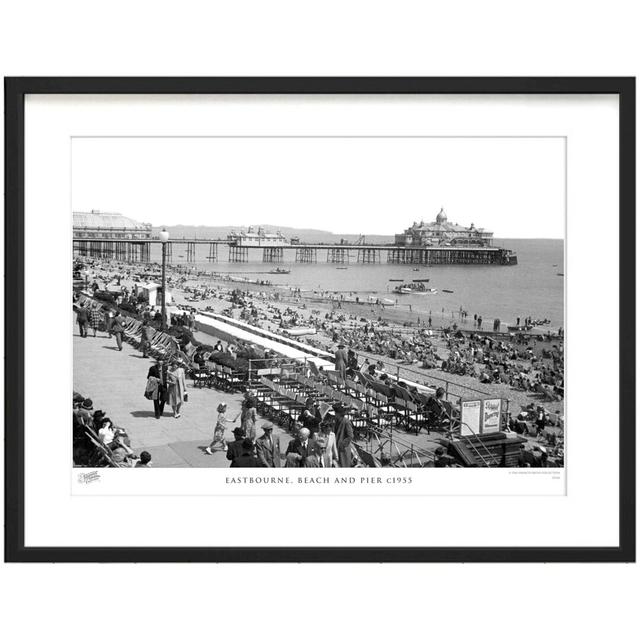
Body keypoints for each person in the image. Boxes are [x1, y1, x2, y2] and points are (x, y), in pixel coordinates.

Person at [334, 404, 354, 468]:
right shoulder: (337, 421)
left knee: (344, 465)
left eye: (336, 413)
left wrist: (342, 444)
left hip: (343, 448)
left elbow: (350, 436)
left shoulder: (346, 422)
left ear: (338, 414)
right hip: (337, 447)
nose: (335, 414)